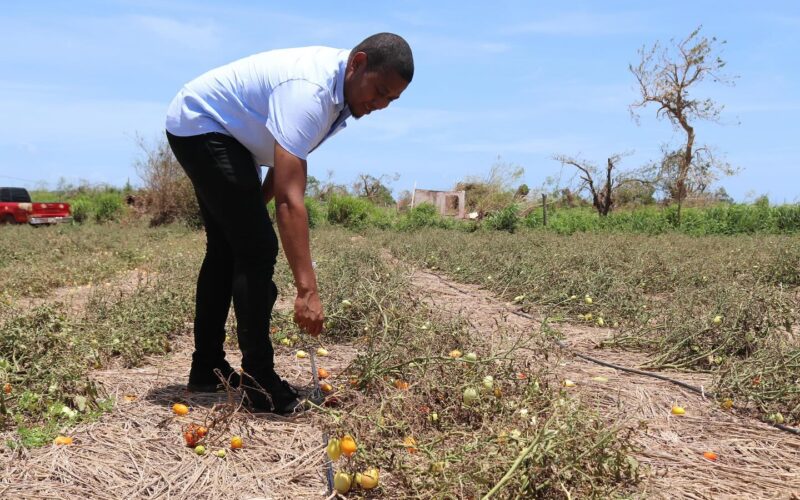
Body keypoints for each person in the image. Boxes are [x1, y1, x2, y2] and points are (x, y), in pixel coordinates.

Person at [164, 33, 413, 415]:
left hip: (225, 136)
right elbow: (289, 199)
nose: (379, 104)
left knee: (230, 249)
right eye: (378, 91)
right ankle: (260, 382)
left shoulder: (337, 99)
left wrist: (246, 213)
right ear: (357, 63)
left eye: (390, 100)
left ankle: (207, 368)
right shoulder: (309, 94)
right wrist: (306, 290)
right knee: (258, 248)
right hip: (202, 123)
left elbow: (282, 169)